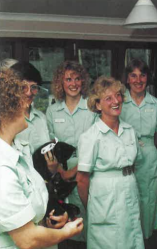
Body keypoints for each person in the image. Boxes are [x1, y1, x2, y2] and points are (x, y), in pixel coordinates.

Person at [0, 69, 83, 249]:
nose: (26, 103)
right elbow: (27, 239)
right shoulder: (2, 168)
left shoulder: (18, 151)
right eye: (18, 100)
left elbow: (30, 208)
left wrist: (50, 220)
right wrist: (67, 231)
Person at [76, 76, 144, 249]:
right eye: (109, 98)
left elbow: (134, 164)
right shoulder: (90, 137)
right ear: (98, 105)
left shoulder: (129, 131)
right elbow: (82, 179)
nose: (116, 101)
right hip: (103, 198)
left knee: (132, 238)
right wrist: (92, 206)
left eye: (118, 95)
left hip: (129, 189)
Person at [46, 61, 98, 248]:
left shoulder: (91, 108)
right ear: (61, 83)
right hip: (61, 174)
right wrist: (60, 170)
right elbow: (50, 145)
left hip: (86, 171)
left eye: (77, 79)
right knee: (65, 225)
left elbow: (95, 146)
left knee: (86, 222)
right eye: (68, 79)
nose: (73, 83)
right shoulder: (52, 111)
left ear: (83, 82)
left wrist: (72, 172)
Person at [120, 58, 157, 241]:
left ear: (148, 78)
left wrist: (146, 147)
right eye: (133, 75)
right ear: (127, 79)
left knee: (149, 198)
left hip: (149, 156)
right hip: (125, 155)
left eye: (142, 75)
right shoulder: (120, 103)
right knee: (129, 196)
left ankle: (146, 238)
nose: (138, 80)